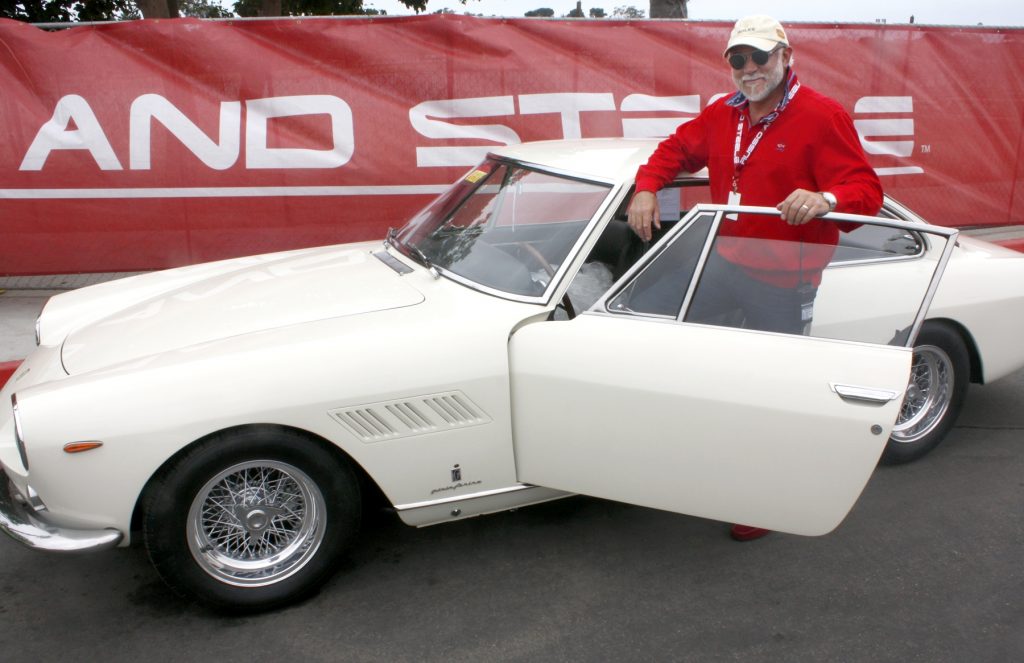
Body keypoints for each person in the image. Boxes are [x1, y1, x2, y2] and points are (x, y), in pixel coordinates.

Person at [626, 15, 883, 541]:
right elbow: (675, 149)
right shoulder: (725, 112)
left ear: (785, 57)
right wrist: (648, 187)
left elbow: (865, 191)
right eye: (737, 60)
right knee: (641, 319)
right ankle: (673, 443)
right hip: (725, 262)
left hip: (785, 280)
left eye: (760, 57)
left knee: (778, 390)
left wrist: (824, 199)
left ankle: (768, 498)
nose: (749, 69)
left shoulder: (821, 114)